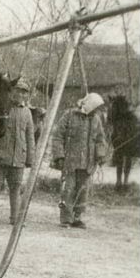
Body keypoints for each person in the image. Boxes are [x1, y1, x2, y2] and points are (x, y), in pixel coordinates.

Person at [0, 78, 36, 225]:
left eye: (24, 92)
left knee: (16, 188)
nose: (21, 94)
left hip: (17, 156)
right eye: (18, 91)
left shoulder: (27, 113)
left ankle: (15, 218)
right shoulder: (2, 106)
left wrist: (30, 158)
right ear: (12, 91)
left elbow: (30, 136)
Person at [51, 92, 107, 229]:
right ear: (89, 105)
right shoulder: (69, 115)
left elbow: (100, 139)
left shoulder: (96, 120)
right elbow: (58, 136)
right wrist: (59, 156)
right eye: (95, 108)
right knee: (68, 190)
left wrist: (100, 155)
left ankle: (77, 218)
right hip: (70, 162)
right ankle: (66, 219)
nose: (97, 111)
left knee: (83, 191)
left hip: (88, 163)